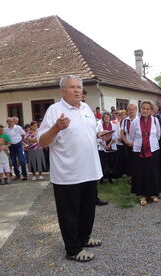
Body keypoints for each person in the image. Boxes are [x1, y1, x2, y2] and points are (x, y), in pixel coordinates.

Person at [38, 75, 111, 262]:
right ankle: (72, 249)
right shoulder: (55, 111)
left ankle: (84, 238)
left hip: (90, 169)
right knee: (69, 213)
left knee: (87, 210)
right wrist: (56, 128)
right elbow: (42, 141)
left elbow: (88, 132)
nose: (78, 90)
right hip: (68, 173)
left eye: (79, 87)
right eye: (73, 87)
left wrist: (99, 134)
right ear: (63, 91)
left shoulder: (86, 108)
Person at [127, 101, 161, 206]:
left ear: (151, 110)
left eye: (147, 109)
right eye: (143, 108)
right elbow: (131, 136)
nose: (145, 110)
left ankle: (153, 194)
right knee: (141, 172)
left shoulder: (155, 121)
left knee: (153, 172)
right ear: (140, 109)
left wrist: (149, 143)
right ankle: (143, 195)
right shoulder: (135, 122)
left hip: (153, 150)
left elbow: (158, 135)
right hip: (139, 151)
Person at [97, 112, 119, 184]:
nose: (106, 118)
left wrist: (109, 144)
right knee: (102, 164)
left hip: (111, 147)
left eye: (108, 117)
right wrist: (104, 146)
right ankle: (101, 178)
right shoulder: (100, 125)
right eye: (105, 117)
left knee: (110, 164)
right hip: (102, 148)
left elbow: (115, 136)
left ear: (110, 118)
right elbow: (97, 137)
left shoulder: (113, 125)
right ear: (103, 118)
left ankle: (110, 178)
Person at [120, 104, 137, 180]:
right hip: (128, 144)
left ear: (136, 110)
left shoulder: (139, 120)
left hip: (137, 144)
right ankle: (130, 177)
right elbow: (122, 132)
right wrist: (126, 142)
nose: (131, 111)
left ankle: (137, 176)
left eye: (133, 109)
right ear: (127, 111)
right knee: (129, 160)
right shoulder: (125, 121)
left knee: (137, 160)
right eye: (130, 110)